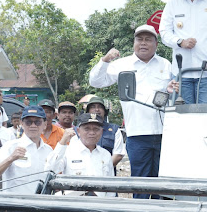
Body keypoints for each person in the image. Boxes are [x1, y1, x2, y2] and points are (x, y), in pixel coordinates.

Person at [89, 25, 178, 198]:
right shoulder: (121, 64)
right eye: (140, 39)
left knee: (164, 182)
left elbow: (172, 93)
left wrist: (169, 90)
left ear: (156, 44)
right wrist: (105, 60)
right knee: (140, 183)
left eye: (148, 39)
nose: (143, 43)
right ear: (134, 42)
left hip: (164, 133)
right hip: (137, 134)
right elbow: (96, 82)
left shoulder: (166, 64)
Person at [0, 105, 53, 194]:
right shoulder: (11, 146)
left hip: (41, 203)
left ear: (44, 124)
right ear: (22, 123)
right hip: (15, 204)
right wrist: (10, 158)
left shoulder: (48, 150)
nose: (33, 126)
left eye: (37, 122)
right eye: (28, 122)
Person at [45, 113, 114, 197]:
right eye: (87, 129)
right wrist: (63, 142)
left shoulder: (105, 154)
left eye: (96, 129)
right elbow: (50, 170)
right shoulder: (68, 151)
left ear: (102, 132)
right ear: (78, 131)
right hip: (74, 204)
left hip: (99, 205)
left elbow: (111, 188)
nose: (91, 133)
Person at [85, 96, 125, 167]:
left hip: (107, 173)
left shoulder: (114, 130)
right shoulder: (80, 130)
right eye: (93, 107)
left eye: (100, 107)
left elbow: (118, 154)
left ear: (104, 111)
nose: (97, 109)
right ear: (88, 111)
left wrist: (103, 169)